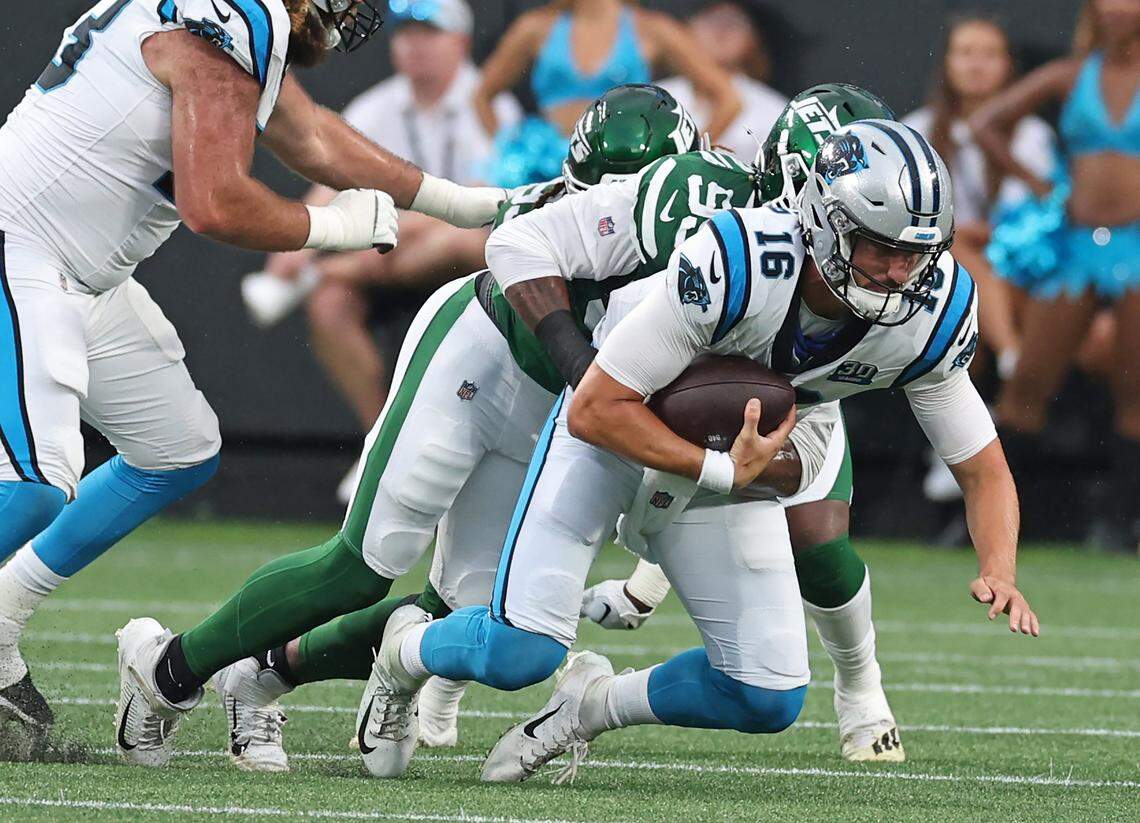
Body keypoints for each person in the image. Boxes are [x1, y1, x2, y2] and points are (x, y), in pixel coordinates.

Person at [359, 119, 1041, 784]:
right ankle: (403, 653)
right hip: (616, 433)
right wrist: (722, 467)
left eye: (915, 252)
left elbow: (982, 469)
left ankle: (592, 705)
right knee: (520, 651)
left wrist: (1000, 567)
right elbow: (597, 408)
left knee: (766, 692)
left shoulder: (934, 310)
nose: (899, 272)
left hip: (721, 461)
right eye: (877, 246)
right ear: (826, 222)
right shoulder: (741, 261)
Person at [112, 84, 703, 770]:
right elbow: (506, 247)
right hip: (477, 361)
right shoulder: (560, 216)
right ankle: (166, 672)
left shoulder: (714, 238)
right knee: (360, 567)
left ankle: (260, 674)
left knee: (463, 610)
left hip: (551, 411)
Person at [0, 0, 507, 738]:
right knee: (41, 484)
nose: (348, 13)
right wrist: (336, 227)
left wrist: (463, 204)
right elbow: (213, 203)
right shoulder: (237, 17)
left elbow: (314, 138)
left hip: (81, 271)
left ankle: (4, 609)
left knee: (177, 449)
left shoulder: (238, 18)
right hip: (23, 247)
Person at [262, 0, 523, 499]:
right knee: (330, 303)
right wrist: (297, 242)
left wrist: (360, 240)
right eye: (407, 33)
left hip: (461, 266)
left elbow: (479, 201)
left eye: (431, 33)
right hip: (388, 258)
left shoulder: (490, 103)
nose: (415, 45)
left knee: (465, 239)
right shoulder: (377, 104)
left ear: (461, 42)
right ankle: (379, 440)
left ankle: (335, 273)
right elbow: (329, 174)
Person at [971, 0, 1140, 552]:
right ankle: (997, 523)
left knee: (1135, 393)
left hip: (1137, 247)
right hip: (1072, 246)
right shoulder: (1071, 75)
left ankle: (1117, 523)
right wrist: (1043, 187)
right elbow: (985, 124)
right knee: (1027, 384)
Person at [902, 16, 1057, 531]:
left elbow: (1031, 217)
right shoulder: (918, 129)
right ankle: (1011, 364)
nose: (975, 63)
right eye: (964, 52)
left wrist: (967, 234)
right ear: (947, 64)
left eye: (988, 53)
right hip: (932, 273)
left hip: (1017, 273)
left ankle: (977, 416)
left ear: (1008, 66)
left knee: (970, 256)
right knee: (959, 254)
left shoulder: (1032, 134)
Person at [472, 0, 740, 139]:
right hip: (547, 170)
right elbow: (482, 96)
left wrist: (685, 158)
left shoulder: (652, 29)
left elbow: (728, 99)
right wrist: (509, 150)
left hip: (621, 167)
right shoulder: (534, 28)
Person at [659, 1, 787, 160]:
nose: (721, 31)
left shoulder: (776, 112)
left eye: (734, 22)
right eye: (710, 19)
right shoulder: (656, 98)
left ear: (754, 39)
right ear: (686, 29)